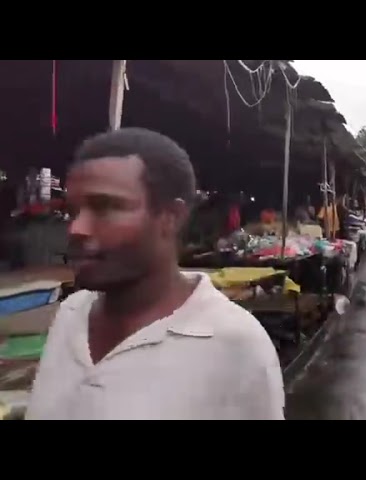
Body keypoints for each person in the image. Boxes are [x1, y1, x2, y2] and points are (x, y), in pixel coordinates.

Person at [26, 128, 285, 420]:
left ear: (170, 218)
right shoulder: (71, 313)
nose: (77, 228)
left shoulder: (238, 345)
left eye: (106, 207)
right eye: (73, 211)